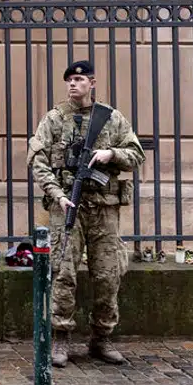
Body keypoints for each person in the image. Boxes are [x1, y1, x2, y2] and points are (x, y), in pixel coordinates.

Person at [28, 60, 145, 367]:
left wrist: (111, 154)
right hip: (67, 207)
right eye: (69, 80)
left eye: (79, 79)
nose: (72, 84)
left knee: (108, 275)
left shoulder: (112, 118)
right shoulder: (54, 119)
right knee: (63, 273)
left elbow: (136, 154)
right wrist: (59, 195)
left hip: (104, 210)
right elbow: (37, 162)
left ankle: (101, 338)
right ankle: (60, 339)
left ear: (92, 83)